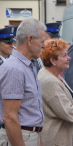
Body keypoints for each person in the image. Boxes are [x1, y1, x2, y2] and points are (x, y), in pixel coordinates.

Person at [0, 18, 46, 146]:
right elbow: (9, 117)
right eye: (42, 41)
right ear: (30, 40)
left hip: (30, 135)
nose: (44, 45)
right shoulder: (14, 69)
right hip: (21, 137)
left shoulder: (28, 65)